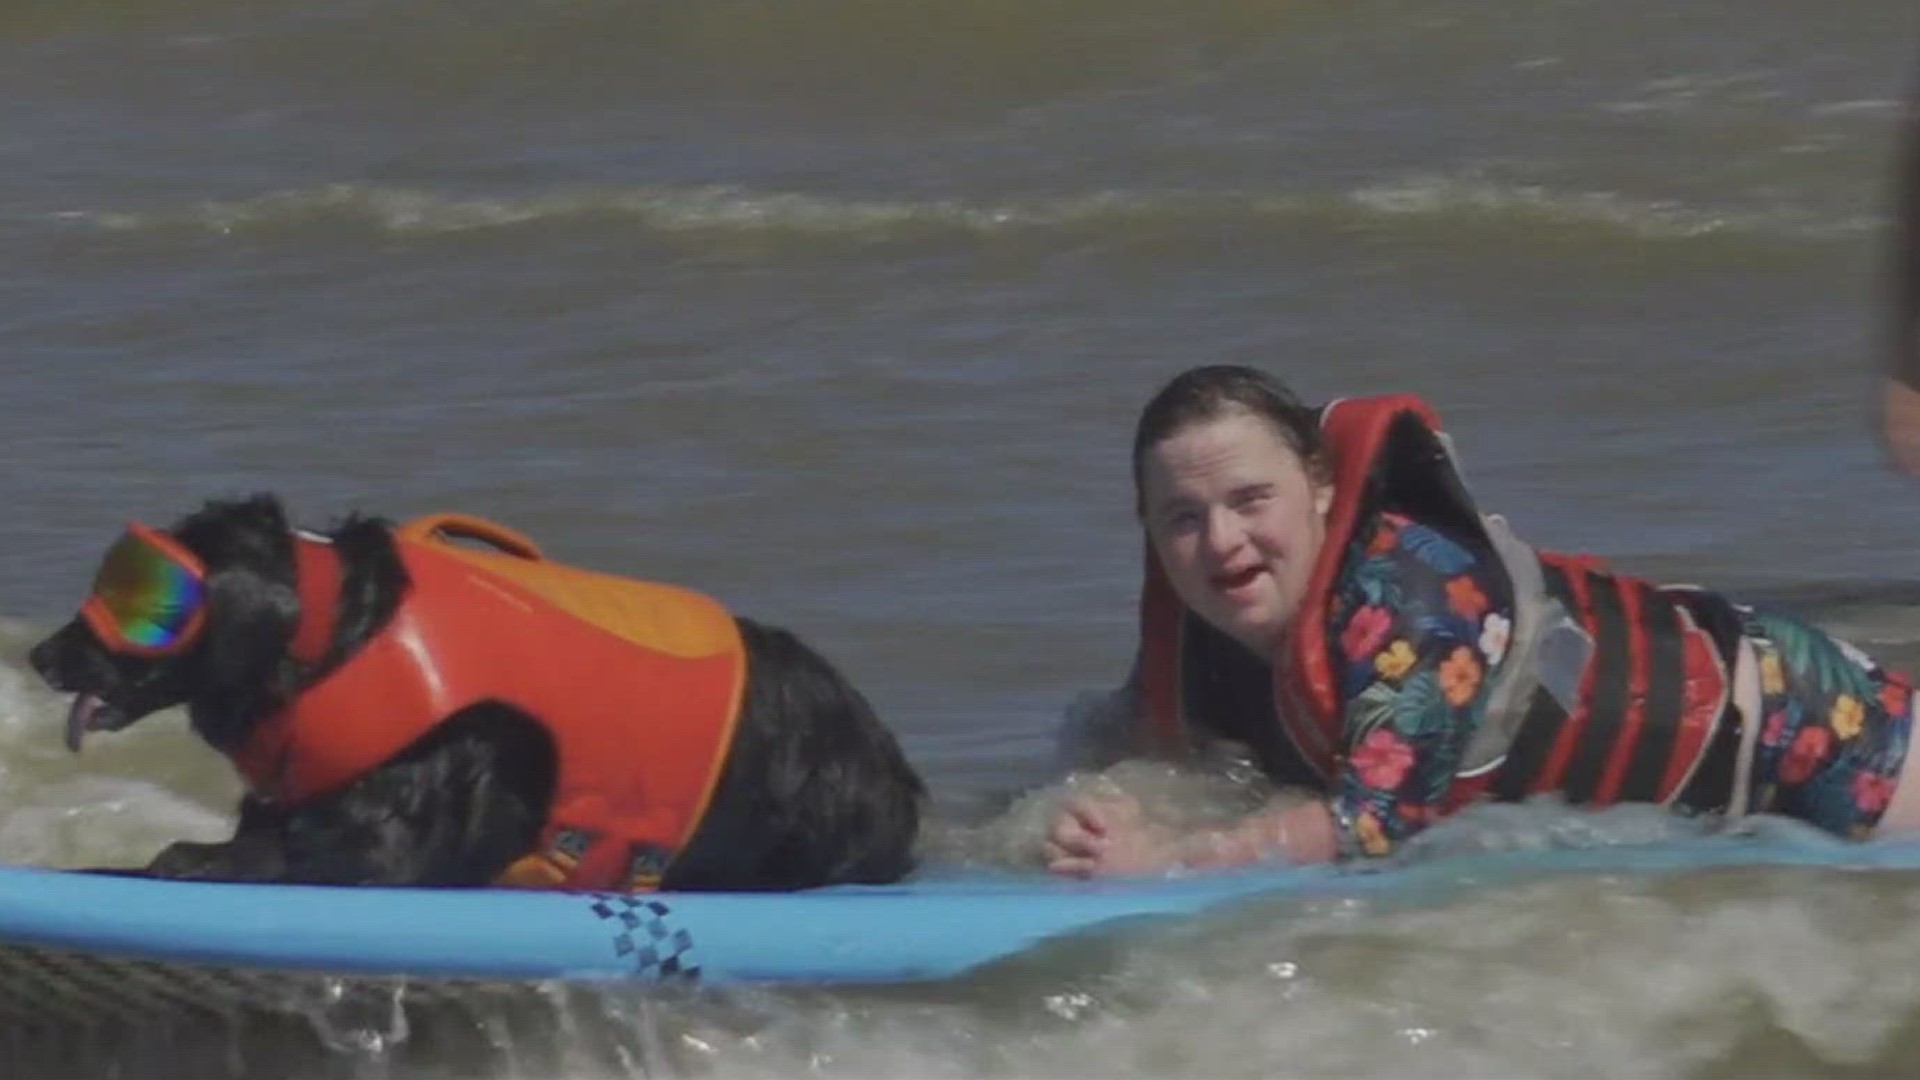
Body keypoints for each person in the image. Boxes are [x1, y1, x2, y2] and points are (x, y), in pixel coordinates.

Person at [1046, 365, 1920, 877]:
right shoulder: (1217, 605)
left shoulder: (1416, 607)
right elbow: (1143, 736)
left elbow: (1371, 828)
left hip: (1829, 740)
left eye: (1249, 500)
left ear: (1319, 487)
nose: (1220, 540)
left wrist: (1168, 855)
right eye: (1183, 518)